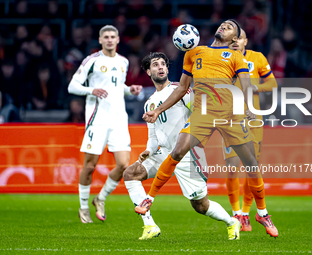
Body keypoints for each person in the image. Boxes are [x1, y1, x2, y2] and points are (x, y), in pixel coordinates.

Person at [136, 19, 278, 238]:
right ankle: (149, 198)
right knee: (177, 151)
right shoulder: (194, 52)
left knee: (251, 163)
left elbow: (247, 85)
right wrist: (158, 110)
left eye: (230, 27)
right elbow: (182, 88)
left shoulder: (236, 56)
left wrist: (249, 106)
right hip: (202, 114)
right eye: (223, 24)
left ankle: (262, 213)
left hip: (230, 115)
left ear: (235, 38)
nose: (224, 26)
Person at [120, 52, 240, 240]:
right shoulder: (149, 103)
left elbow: (201, 112)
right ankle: (149, 225)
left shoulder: (181, 91)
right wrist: (148, 150)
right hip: (163, 154)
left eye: (163, 64)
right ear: (148, 72)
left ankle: (232, 222)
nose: (160, 67)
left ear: (167, 69)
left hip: (188, 154)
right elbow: (153, 135)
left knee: (200, 205)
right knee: (130, 174)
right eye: (155, 65)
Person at [68, 25, 142, 223]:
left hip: (119, 119)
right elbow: (72, 85)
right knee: (90, 166)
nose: (109, 40)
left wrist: (130, 90)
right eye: (106, 37)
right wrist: (91, 90)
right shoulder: (92, 60)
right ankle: (83, 208)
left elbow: (117, 87)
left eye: (113, 37)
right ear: (100, 40)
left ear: (118, 40)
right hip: (97, 119)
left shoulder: (123, 62)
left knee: (124, 165)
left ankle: (100, 198)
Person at [222, 29, 277, 234]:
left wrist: (255, 89)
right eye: (232, 38)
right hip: (230, 119)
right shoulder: (222, 59)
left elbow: (272, 83)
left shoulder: (257, 58)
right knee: (232, 167)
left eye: (239, 38)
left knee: (252, 168)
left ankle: (247, 213)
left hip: (254, 119)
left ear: (245, 41)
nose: (235, 41)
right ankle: (236, 212)